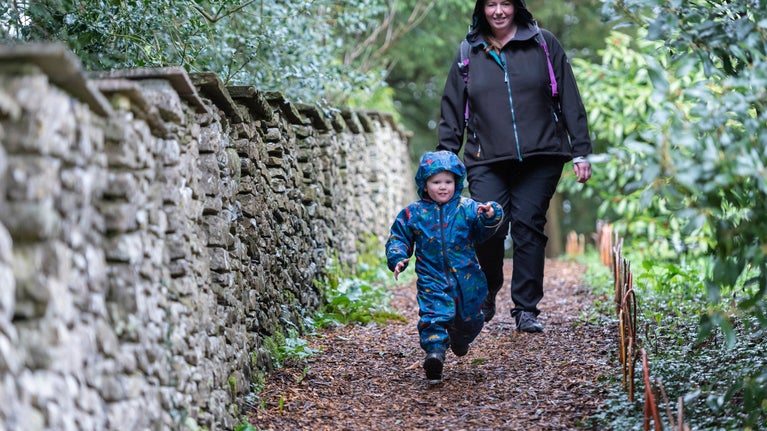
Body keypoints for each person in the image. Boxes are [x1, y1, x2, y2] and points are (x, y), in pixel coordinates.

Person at [437, 0, 593, 333]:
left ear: (516, 6)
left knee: (528, 225)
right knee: (489, 225)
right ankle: (491, 285)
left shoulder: (543, 43)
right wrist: (445, 163)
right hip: (486, 159)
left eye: (504, 3)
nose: (498, 11)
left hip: (542, 154)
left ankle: (525, 309)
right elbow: (452, 111)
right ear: (482, 9)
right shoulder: (469, 52)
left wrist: (581, 151)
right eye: (490, 4)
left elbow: (569, 96)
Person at [386, 150, 503, 382]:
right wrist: (398, 257)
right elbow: (399, 237)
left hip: (467, 279)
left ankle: (460, 339)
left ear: (456, 182)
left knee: (470, 319)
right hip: (432, 278)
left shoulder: (467, 208)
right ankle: (435, 354)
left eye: (448, 182)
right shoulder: (414, 213)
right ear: (425, 183)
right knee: (433, 316)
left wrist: (490, 215)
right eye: (436, 182)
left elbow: (481, 232)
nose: (442, 187)